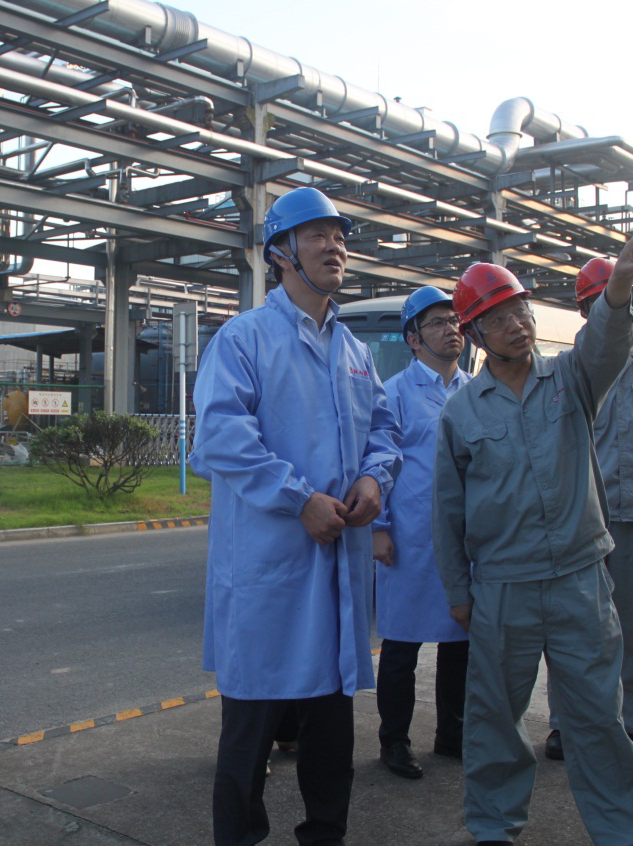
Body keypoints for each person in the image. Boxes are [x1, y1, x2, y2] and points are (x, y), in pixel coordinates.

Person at [433, 220, 633, 846]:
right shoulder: (461, 411)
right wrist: (459, 591)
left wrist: (619, 285)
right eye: (498, 317)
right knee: (494, 720)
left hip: (578, 581)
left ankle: (624, 831)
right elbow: (448, 510)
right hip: (502, 588)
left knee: (596, 717)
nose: (516, 324)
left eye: (521, 311)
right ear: (476, 334)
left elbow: (607, 341)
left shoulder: (571, 379)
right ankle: (493, 826)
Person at [189, 186, 401, 846]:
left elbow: (384, 430)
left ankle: (325, 834)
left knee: (330, 731)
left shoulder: (354, 351)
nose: (334, 247)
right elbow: (220, 435)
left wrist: (373, 478)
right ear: (280, 252)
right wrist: (298, 498)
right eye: (316, 236)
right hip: (269, 569)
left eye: (339, 237)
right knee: (250, 732)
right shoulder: (244, 338)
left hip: (337, 569)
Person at [546, 258, 633, 763]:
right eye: (599, 299)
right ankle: (566, 725)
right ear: (586, 309)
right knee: (576, 626)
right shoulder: (570, 366)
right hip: (585, 514)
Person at [371, 286, 471, 780]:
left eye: (454, 321)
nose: (451, 329)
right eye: (437, 323)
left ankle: (452, 733)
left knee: (461, 644)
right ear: (413, 339)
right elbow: (378, 461)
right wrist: (378, 527)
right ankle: (394, 741)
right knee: (401, 647)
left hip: (465, 541)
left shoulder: (476, 390)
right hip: (409, 537)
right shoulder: (394, 393)